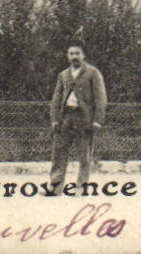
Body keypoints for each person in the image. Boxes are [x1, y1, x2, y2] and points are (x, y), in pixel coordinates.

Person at [47, 44, 106, 193]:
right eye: (71, 53)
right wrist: (55, 119)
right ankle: (55, 186)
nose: (74, 57)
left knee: (84, 155)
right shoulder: (63, 75)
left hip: (84, 118)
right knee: (58, 153)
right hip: (66, 117)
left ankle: (81, 186)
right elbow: (56, 98)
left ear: (83, 55)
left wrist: (97, 120)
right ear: (67, 56)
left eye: (77, 53)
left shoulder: (93, 73)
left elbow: (100, 98)